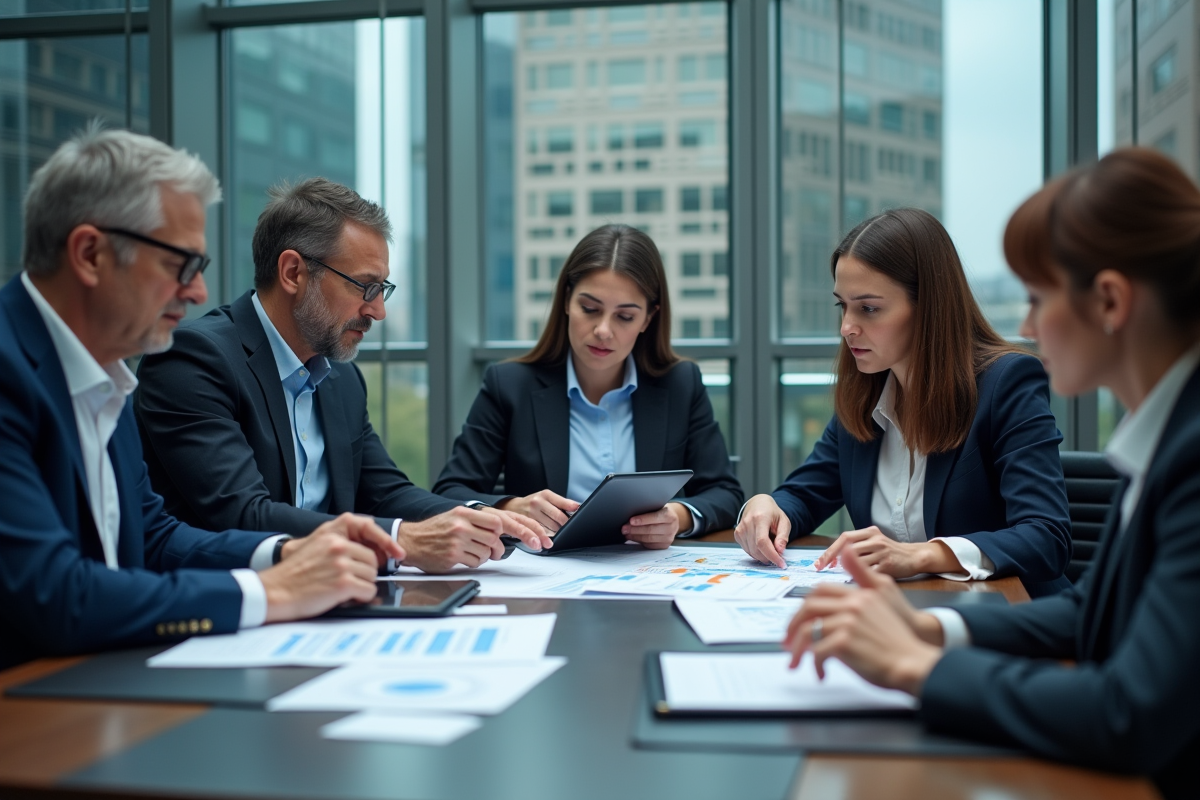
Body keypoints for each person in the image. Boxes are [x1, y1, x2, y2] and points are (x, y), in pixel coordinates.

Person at [783, 148, 1200, 799]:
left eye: (1037, 297)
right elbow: (1094, 612)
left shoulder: (1187, 456)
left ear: (1112, 302)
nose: (1028, 325)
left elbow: (1129, 713)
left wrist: (914, 665)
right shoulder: (1169, 440)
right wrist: (929, 626)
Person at [0, 127, 404, 670]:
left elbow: (155, 536)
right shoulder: (10, 372)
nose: (198, 294)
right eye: (180, 266)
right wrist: (272, 593)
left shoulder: (106, 373)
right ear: (91, 254)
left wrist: (288, 554)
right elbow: (54, 593)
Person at [135, 178, 551, 574]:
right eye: (364, 287)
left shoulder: (340, 379)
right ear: (293, 272)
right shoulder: (195, 359)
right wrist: (402, 540)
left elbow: (386, 492)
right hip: (223, 612)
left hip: (325, 598)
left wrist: (491, 515)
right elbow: (243, 515)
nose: (378, 311)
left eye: (382, 290)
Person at [735, 208, 1072, 597]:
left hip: (1005, 619)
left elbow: (1046, 536)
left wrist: (921, 556)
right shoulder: (865, 393)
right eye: (842, 305)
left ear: (928, 306)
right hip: (898, 616)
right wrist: (766, 505)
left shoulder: (1007, 383)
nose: (847, 327)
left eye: (869, 308)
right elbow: (803, 495)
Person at [433, 224, 743, 545]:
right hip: (545, 578)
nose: (603, 330)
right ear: (567, 300)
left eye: (625, 317)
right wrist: (514, 507)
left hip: (646, 574)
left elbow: (726, 493)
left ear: (647, 320)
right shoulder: (509, 386)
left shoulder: (681, 384)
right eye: (590, 309)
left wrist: (677, 517)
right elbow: (449, 492)